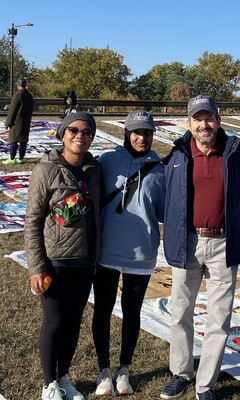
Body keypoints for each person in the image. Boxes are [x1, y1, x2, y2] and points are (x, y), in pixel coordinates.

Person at [160, 95, 240, 400]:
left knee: (219, 317)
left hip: (224, 242)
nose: (203, 125)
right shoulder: (177, 153)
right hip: (187, 241)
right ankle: (181, 373)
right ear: (189, 123)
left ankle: (206, 384)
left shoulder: (237, 152)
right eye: (197, 119)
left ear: (218, 119)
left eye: (208, 118)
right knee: (181, 312)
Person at [25, 112, 101, 400]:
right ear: (62, 134)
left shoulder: (95, 170)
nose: (79, 135)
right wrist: (36, 267)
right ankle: (48, 384)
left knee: (73, 321)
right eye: (73, 130)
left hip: (85, 260)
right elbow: (32, 221)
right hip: (55, 261)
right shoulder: (45, 171)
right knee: (55, 321)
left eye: (86, 131)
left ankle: (63, 376)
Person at [91, 110, 166, 396]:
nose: (141, 137)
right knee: (103, 309)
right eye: (136, 132)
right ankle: (104, 369)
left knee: (132, 311)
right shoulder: (107, 161)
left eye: (147, 132)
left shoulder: (159, 169)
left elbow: (161, 212)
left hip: (141, 252)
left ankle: (124, 368)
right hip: (107, 250)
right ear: (126, 132)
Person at [4, 77, 34, 164]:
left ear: (17, 85)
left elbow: (12, 110)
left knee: (14, 140)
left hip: (16, 122)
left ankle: (12, 158)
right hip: (26, 121)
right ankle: (21, 158)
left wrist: (8, 122)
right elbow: (32, 108)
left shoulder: (17, 95)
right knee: (23, 140)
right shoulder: (30, 96)